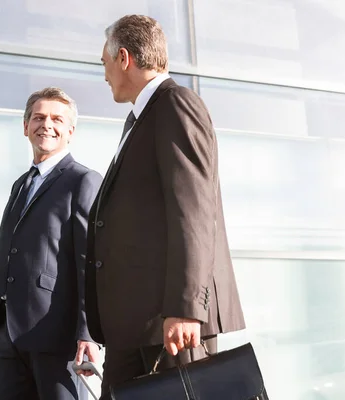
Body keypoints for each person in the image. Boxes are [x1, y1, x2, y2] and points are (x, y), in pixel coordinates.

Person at [83, 15, 246, 398]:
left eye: (103, 62)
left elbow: (194, 211)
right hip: (136, 323)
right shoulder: (138, 120)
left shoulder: (175, 104)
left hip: (169, 323)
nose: (104, 73)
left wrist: (186, 307)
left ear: (123, 57)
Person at [0, 87, 103, 400]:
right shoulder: (20, 184)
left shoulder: (83, 181)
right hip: (7, 332)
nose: (46, 124)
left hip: (56, 335)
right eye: (38, 117)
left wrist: (88, 332)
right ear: (25, 127)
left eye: (56, 119)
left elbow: (89, 260)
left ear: (70, 131)